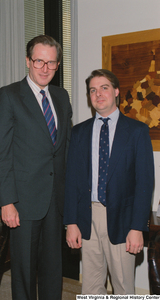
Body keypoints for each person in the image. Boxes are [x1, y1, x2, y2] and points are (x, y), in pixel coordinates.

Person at [0, 35, 72, 300]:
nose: (45, 68)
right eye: (39, 61)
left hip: (54, 200)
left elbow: (65, 150)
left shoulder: (61, 96)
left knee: (52, 268)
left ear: (57, 65)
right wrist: (7, 202)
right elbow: (1, 154)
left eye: (51, 63)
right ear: (28, 61)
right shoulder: (9, 96)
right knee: (24, 271)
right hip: (22, 202)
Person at [63, 69, 154, 295]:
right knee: (91, 288)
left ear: (116, 92)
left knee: (124, 287)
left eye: (104, 88)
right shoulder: (78, 132)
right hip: (87, 217)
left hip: (123, 220)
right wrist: (71, 222)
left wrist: (137, 227)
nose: (98, 94)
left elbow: (145, 183)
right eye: (93, 90)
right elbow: (72, 181)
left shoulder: (137, 131)